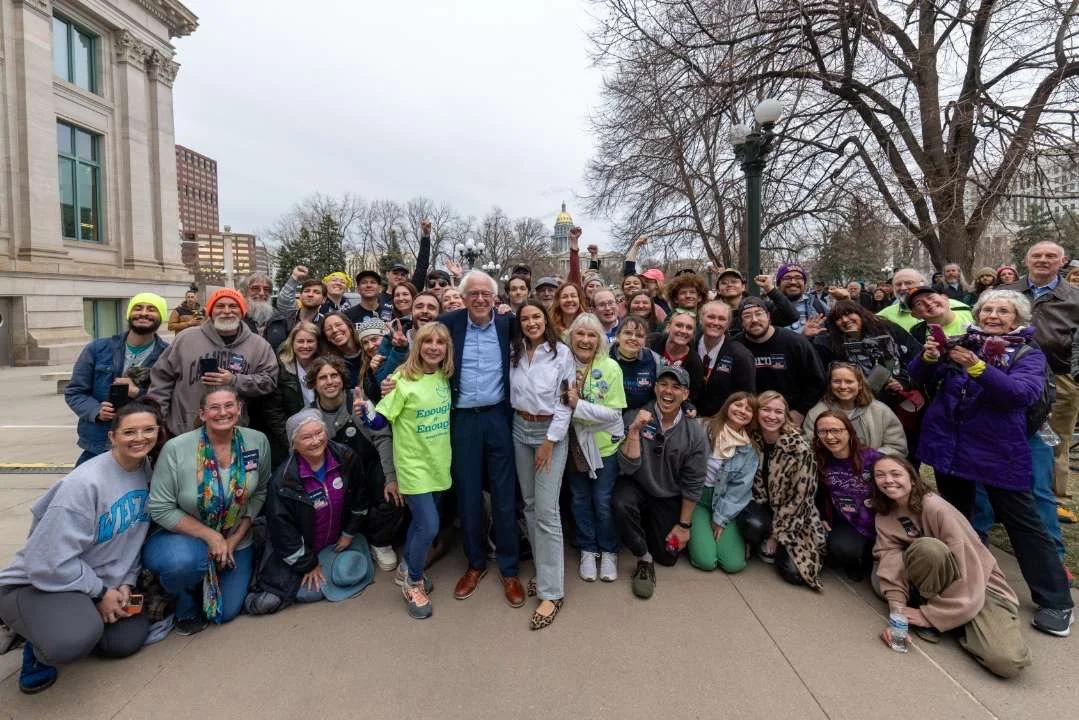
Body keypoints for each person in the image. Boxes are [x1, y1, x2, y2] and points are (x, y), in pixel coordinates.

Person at [909, 288, 1075, 636]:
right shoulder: (963, 341)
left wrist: (978, 367)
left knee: (1023, 523)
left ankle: (1056, 600)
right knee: (956, 519)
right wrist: (928, 358)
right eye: (988, 310)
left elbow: (1019, 395)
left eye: (1004, 311)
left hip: (997, 450)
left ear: (1018, 319)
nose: (993, 316)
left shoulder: (1028, 354)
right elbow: (919, 379)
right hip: (950, 448)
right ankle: (963, 582)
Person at [0, 401, 161, 694]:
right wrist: (100, 593)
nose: (140, 438)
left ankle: (69, 621)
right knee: (71, 640)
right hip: (40, 582)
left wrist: (125, 583)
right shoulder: (84, 484)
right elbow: (45, 559)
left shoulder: (144, 469)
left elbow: (132, 538)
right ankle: (33, 644)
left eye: (148, 430)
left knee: (125, 640)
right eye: (129, 432)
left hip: (93, 582)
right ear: (112, 437)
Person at [871, 456, 1031, 678]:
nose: (888, 480)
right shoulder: (885, 513)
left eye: (896, 474)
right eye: (880, 475)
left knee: (1007, 663)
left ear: (913, 478)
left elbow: (969, 570)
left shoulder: (936, 508)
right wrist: (898, 616)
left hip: (976, 585)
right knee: (923, 551)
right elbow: (889, 562)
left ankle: (954, 622)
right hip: (935, 584)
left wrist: (933, 616)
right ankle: (950, 620)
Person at [143, 386, 271, 634]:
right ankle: (183, 601)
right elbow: (159, 507)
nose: (223, 412)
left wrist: (233, 539)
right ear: (202, 414)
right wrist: (211, 536)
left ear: (239, 409)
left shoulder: (257, 441)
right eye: (214, 407)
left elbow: (260, 491)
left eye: (229, 405)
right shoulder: (177, 449)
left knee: (226, 612)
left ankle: (202, 578)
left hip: (236, 538)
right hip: (183, 538)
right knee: (184, 564)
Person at [435, 271, 524, 606]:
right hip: (462, 420)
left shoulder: (507, 325)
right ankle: (474, 564)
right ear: (463, 296)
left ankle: (509, 568)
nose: (480, 299)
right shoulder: (449, 323)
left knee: (504, 494)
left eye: (486, 293)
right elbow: (424, 353)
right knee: (468, 494)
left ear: (495, 297)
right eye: (473, 293)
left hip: (498, 416)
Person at [358, 323, 454, 619]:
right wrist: (365, 409)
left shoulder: (443, 376)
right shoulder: (402, 378)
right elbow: (379, 421)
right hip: (413, 468)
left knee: (420, 524)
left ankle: (407, 570)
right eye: (428, 341)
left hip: (439, 464)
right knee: (430, 526)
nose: (434, 347)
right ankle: (413, 581)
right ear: (418, 345)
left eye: (440, 342)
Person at [243, 410, 375, 615]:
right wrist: (308, 565)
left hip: (334, 544)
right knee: (269, 603)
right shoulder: (284, 480)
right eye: (306, 437)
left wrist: (349, 533)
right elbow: (282, 530)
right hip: (299, 550)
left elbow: (360, 497)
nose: (315, 441)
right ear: (293, 443)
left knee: (312, 591)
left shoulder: (346, 457)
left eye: (319, 433)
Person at [509, 301, 576, 629]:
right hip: (519, 429)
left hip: (549, 432)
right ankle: (543, 569)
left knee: (548, 512)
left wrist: (550, 441)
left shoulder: (561, 353)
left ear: (545, 319)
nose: (531, 322)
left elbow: (566, 403)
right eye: (525, 318)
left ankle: (552, 592)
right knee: (532, 507)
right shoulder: (516, 351)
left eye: (536, 316)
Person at [614, 365, 707, 598]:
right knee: (620, 503)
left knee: (667, 557)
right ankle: (643, 557)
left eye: (676, 387)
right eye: (663, 384)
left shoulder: (694, 433)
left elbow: (694, 482)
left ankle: (650, 528)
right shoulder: (636, 416)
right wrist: (634, 431)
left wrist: (684, 526)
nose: (668, 391)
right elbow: (627, 466)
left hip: (667, 495)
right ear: (655, 388)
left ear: (685, 394)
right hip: (638, 486)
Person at [1000, 241, 1079, 505]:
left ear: (1062, 261)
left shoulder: (1075, 297)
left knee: (1055, 439)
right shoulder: (1005, 292)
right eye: (1037, 255)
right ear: (1026, 259)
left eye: (1050, 256)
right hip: (1010, 374)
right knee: (1006, 433)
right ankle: (1006, 496)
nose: (1043, 259)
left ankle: (1053, 500)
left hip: (1060, 376)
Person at [149, 288, 278, 437]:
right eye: (220, 306)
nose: (227, 311)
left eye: (233, 306)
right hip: (183, 431)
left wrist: (235, 380)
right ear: (210, 311)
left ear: (242, 312)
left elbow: (269, 381)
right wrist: (157, 418)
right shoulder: (185, 339)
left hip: (232, 433)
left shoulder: (259, 345)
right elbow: (161, 380)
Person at [66, 292, 169, 466]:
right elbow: (75, 392)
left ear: (161, 317)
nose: (143, 313)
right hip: (99, 443)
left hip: (144, 445)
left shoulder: (167, 354)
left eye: (152, 309)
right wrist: (96, 411)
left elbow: (168, 399)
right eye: (138, 308)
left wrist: (137, 393)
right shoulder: (98, 348)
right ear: (129, 314)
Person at [739, 391, 826, 588]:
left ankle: (776, 543)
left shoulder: (799, 448)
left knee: (794, 575)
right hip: (761, 505)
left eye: (778, 411)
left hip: (793, 514)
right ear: (757, 412)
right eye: (766, 410)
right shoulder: (753, 438)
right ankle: (755, 540)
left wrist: (776, 537)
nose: (771, 416)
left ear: (786, 415)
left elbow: (802, 499)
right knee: (752, 524)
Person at [565, 313, 627, 583]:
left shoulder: (610, 367)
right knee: (579, 500)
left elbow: (613, 414)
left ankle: (609, 550)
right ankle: (588, 549)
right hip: (574, 447)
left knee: (602, 501)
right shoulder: (563, 364)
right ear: (571, 336)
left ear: (600, 339)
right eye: (580, 334)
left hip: (604, 448)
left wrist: (578, 405)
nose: (586, 340)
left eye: (592, 335)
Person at [687, 393, 759, 574]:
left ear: (753, 417)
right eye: (738, 405)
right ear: (727, 405)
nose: (742, 411)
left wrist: (721, 519)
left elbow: (740, 489)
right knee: (706, 561)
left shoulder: (749, 449)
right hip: (697, 501)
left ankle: (737, 542)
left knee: (733, 564)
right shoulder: (703, 427)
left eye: (749, 409)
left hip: (725, 504)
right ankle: (697, 538)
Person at [736, 297, 826, 425]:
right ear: (741, 322)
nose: (754, 320)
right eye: (747, 316)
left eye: (759, 313)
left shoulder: (795, 342)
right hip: (750, 417)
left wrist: (800, 411)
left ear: (768, 316)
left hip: (790, 416)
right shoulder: (736, 346)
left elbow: (818, 381)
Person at [813, 411, 881, 580]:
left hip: (879, 521)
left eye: (836, 430)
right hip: (848, 523)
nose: (829, 437)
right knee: (840, 548)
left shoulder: (872, 458)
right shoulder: (820, 460)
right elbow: (819, 493)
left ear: (849, 432)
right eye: (823, 431)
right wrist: (821, 516)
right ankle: (858, 559)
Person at [803, 363, 907, 456]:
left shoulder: (880, 411)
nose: (843, 386)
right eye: (837, 381)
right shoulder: (817, 413)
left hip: (872, 471)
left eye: (849, 381)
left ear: (860, 384)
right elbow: (809, 448)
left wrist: (871, 457)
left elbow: (898, 448)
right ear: (830, 384)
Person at [264, 321, 322, 464]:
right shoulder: (280, 366)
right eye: (300, 341)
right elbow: (273, 411)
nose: (305, 346)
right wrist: (291, 439)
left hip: (320, 432)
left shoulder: (324, 365)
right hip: (290, 436)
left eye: (310, 341)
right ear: (292, 343)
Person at [694, 300, 756, 418]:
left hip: (724, 422)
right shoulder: (689, 346)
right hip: (689, 420)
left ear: (728, 324)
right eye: (711, 317)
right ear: (701, 319)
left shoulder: (741, 355)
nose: (716, 322)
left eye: (722, 319)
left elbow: (747, 398)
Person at [877, 268, 970, 331]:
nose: (903, 288)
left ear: (922, 284)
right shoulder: (884, 316)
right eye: (898, 284)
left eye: (909, 283)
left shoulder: (960, 307)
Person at [714, 268, 799, 337]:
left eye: (734, 281)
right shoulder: (713, 313)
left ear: (743, 287)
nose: (729, 285)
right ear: (718, 290)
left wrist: (770, 289)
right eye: (724, 283)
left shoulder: (760, 308)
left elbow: (792, 316)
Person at [611, 317, 663, 415]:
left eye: (639, 335)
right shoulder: (604, 356)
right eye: (628, 333)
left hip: (640, 416)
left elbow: (670, 384)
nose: (633, 338)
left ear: (645, 341)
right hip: (608, 415)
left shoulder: (655, 360)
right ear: (617, 337)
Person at [263, 277, 326, 356]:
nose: (310, 294)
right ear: (300, 296)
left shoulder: (325, 323)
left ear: (324, 299)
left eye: (316, 292)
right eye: (306, 291)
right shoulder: (284, 318)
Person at [906, 286, 974, 344]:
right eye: (919, 303)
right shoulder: (917, 334)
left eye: (930, 297)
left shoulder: (974, 314)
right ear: (915, 315)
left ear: (945, 298)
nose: (928, 303)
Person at [775, 263, 826, 334]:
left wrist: (844, 299)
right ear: (778, 284)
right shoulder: (767, 308)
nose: (793, 282)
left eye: (798, 278)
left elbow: (838, 324)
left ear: (804, 283)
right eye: (787, 278)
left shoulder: (817, 304)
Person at [321, 312, 365, 389]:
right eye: (328, 329)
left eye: (338, 325)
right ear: (327, 337)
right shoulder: (330, 364)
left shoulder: (368, 349)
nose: (334, 330)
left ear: (350, 327)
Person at [239, 272, 275, 338]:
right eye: (255, 288)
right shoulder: (237, 319)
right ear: (244, 292)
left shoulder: (280, 320)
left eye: (266, 289)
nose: (262, 293)